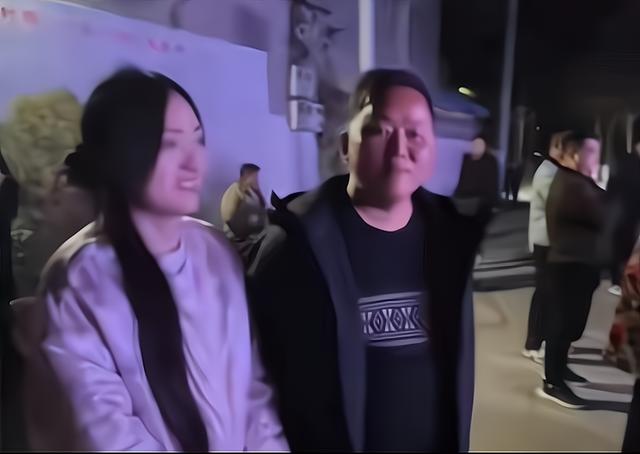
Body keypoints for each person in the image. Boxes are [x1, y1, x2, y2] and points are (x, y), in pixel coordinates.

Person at [17, 69, 287, 451]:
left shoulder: (214, 252)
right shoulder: (80, 278)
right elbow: (105, 434)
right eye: (169, 144)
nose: (193, 162)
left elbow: (252, 396)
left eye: (197, 139)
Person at [247, 69, 490, 452]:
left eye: (415, 133)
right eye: (380, 130)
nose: (399, 148)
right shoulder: (294, 247)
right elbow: (255, 380)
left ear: (433, 148)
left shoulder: (449, 238)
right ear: (346, 146)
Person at [538, 131, 606, 409]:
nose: (597, 159)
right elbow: (606, 213)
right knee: (561, 325)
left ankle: (561, 369)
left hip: (579, 264)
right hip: (567, 266)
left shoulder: (579, 181)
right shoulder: (571, 184)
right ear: (576, 154)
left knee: (570, 325)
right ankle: (552, 382)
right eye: (593, 153)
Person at [523, 130, 570, 362]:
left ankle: (540, 340)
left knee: (549, 293)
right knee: (544, 293)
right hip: (545, 242)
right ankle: (533, 343)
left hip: (551, 241)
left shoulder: (556, 171)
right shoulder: (548, 172)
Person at [454, 135, 499, 212]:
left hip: (479, 199)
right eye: (475, 144)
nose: (477, 147)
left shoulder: (489, 162)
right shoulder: (466, 159)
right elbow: (461, 181)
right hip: (463, 197)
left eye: (480, 145)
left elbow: (491, 186)